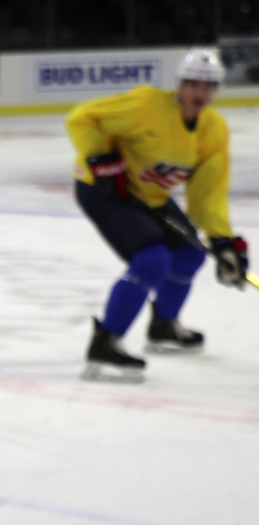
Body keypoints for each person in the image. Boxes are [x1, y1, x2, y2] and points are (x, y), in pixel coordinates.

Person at [68, 47, 250, 382]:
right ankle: (105, 342)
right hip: (105, 190)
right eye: (194, 84)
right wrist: (102, 159)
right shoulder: (147, 105)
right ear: (181, 85)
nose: (201, 93)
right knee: (152, 261)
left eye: (208, 87)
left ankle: (164, 326)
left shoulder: (213, 130)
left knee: (191, 253)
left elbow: (207, 193)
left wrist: (223, 241)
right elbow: (82, 118)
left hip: (149, 196)